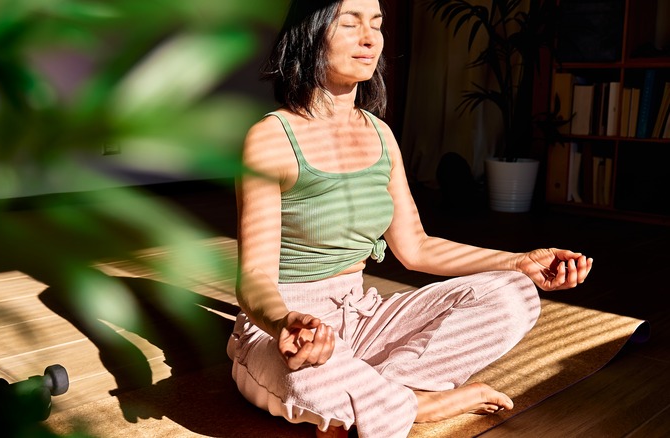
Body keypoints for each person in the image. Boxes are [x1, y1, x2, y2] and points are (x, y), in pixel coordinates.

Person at [226, 0, 593, 437]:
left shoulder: (380, 134)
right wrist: (284, 323)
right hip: (289, 327)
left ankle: (379, 395)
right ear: (310, 33)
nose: (370, 38)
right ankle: (412, 401)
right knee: (309, 379)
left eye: (377, 25)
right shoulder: (270, 139)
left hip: (362, 314)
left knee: (516, 293)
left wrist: (518, 262)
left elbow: (416, 248)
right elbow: (253, 277)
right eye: (350, 23)